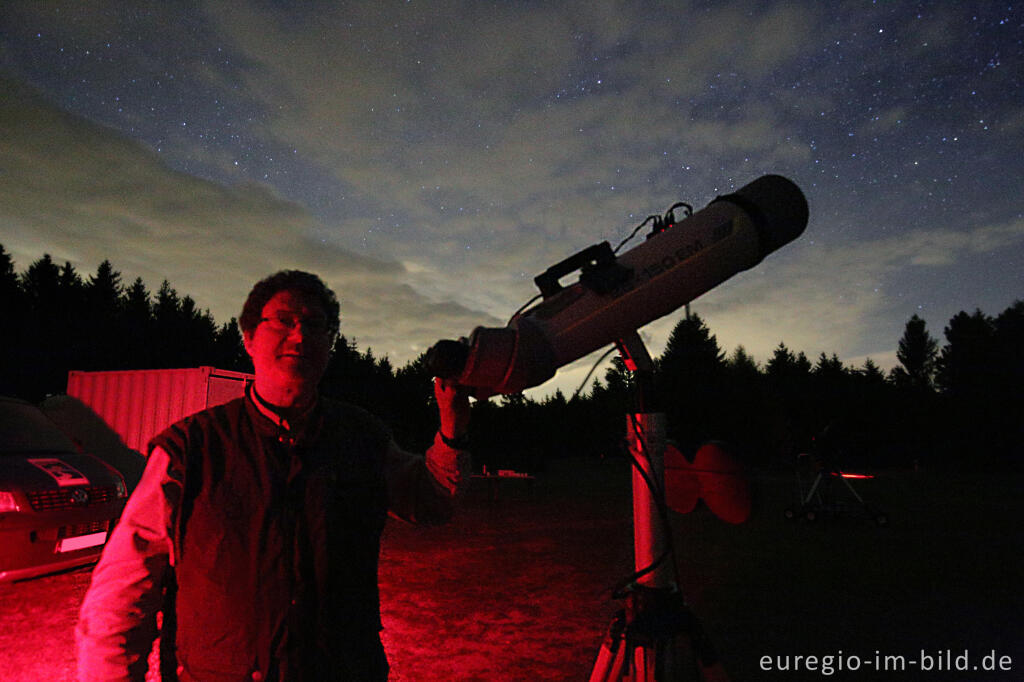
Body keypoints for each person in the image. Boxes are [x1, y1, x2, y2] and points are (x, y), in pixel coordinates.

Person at [76, 270, 471, 681]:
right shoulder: (190, 449)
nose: (300, 337)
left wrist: (453, 427)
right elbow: (120, 594)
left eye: (316, 326)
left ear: (330, 344)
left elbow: (432, 501)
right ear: (248, 338)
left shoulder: (363, 438)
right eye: (283, 321)